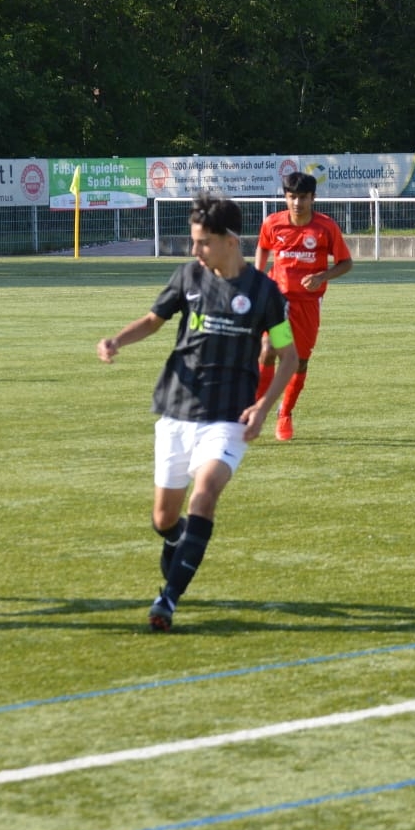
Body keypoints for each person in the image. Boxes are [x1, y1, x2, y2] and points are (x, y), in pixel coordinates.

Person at [96, 192, 296, 632]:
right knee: (164, 520)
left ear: (230, 241)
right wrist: (116, 340)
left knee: (204, 495)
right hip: (177, 410)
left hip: (228, 417)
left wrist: (264, 407)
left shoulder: (264, 293)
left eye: (203, 242)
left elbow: (289, 356)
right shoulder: (188, 276)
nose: (195, 249)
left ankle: (168, 598)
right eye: (194, 241)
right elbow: (154, 320)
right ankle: (178, 541)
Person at [253, 171, 353, 441]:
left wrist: (322, 276)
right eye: (292, 197)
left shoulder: (325, 227)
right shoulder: (273, 223)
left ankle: (285, 412)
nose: (297, 203)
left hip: (308, 303)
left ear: (313, 198)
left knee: (299, 362)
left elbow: (346, 263)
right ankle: (256, 411)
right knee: (268, 349)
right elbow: (263, 247)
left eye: (303, 197)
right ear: (285, 197)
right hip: (278, 300)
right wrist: (258, 276)